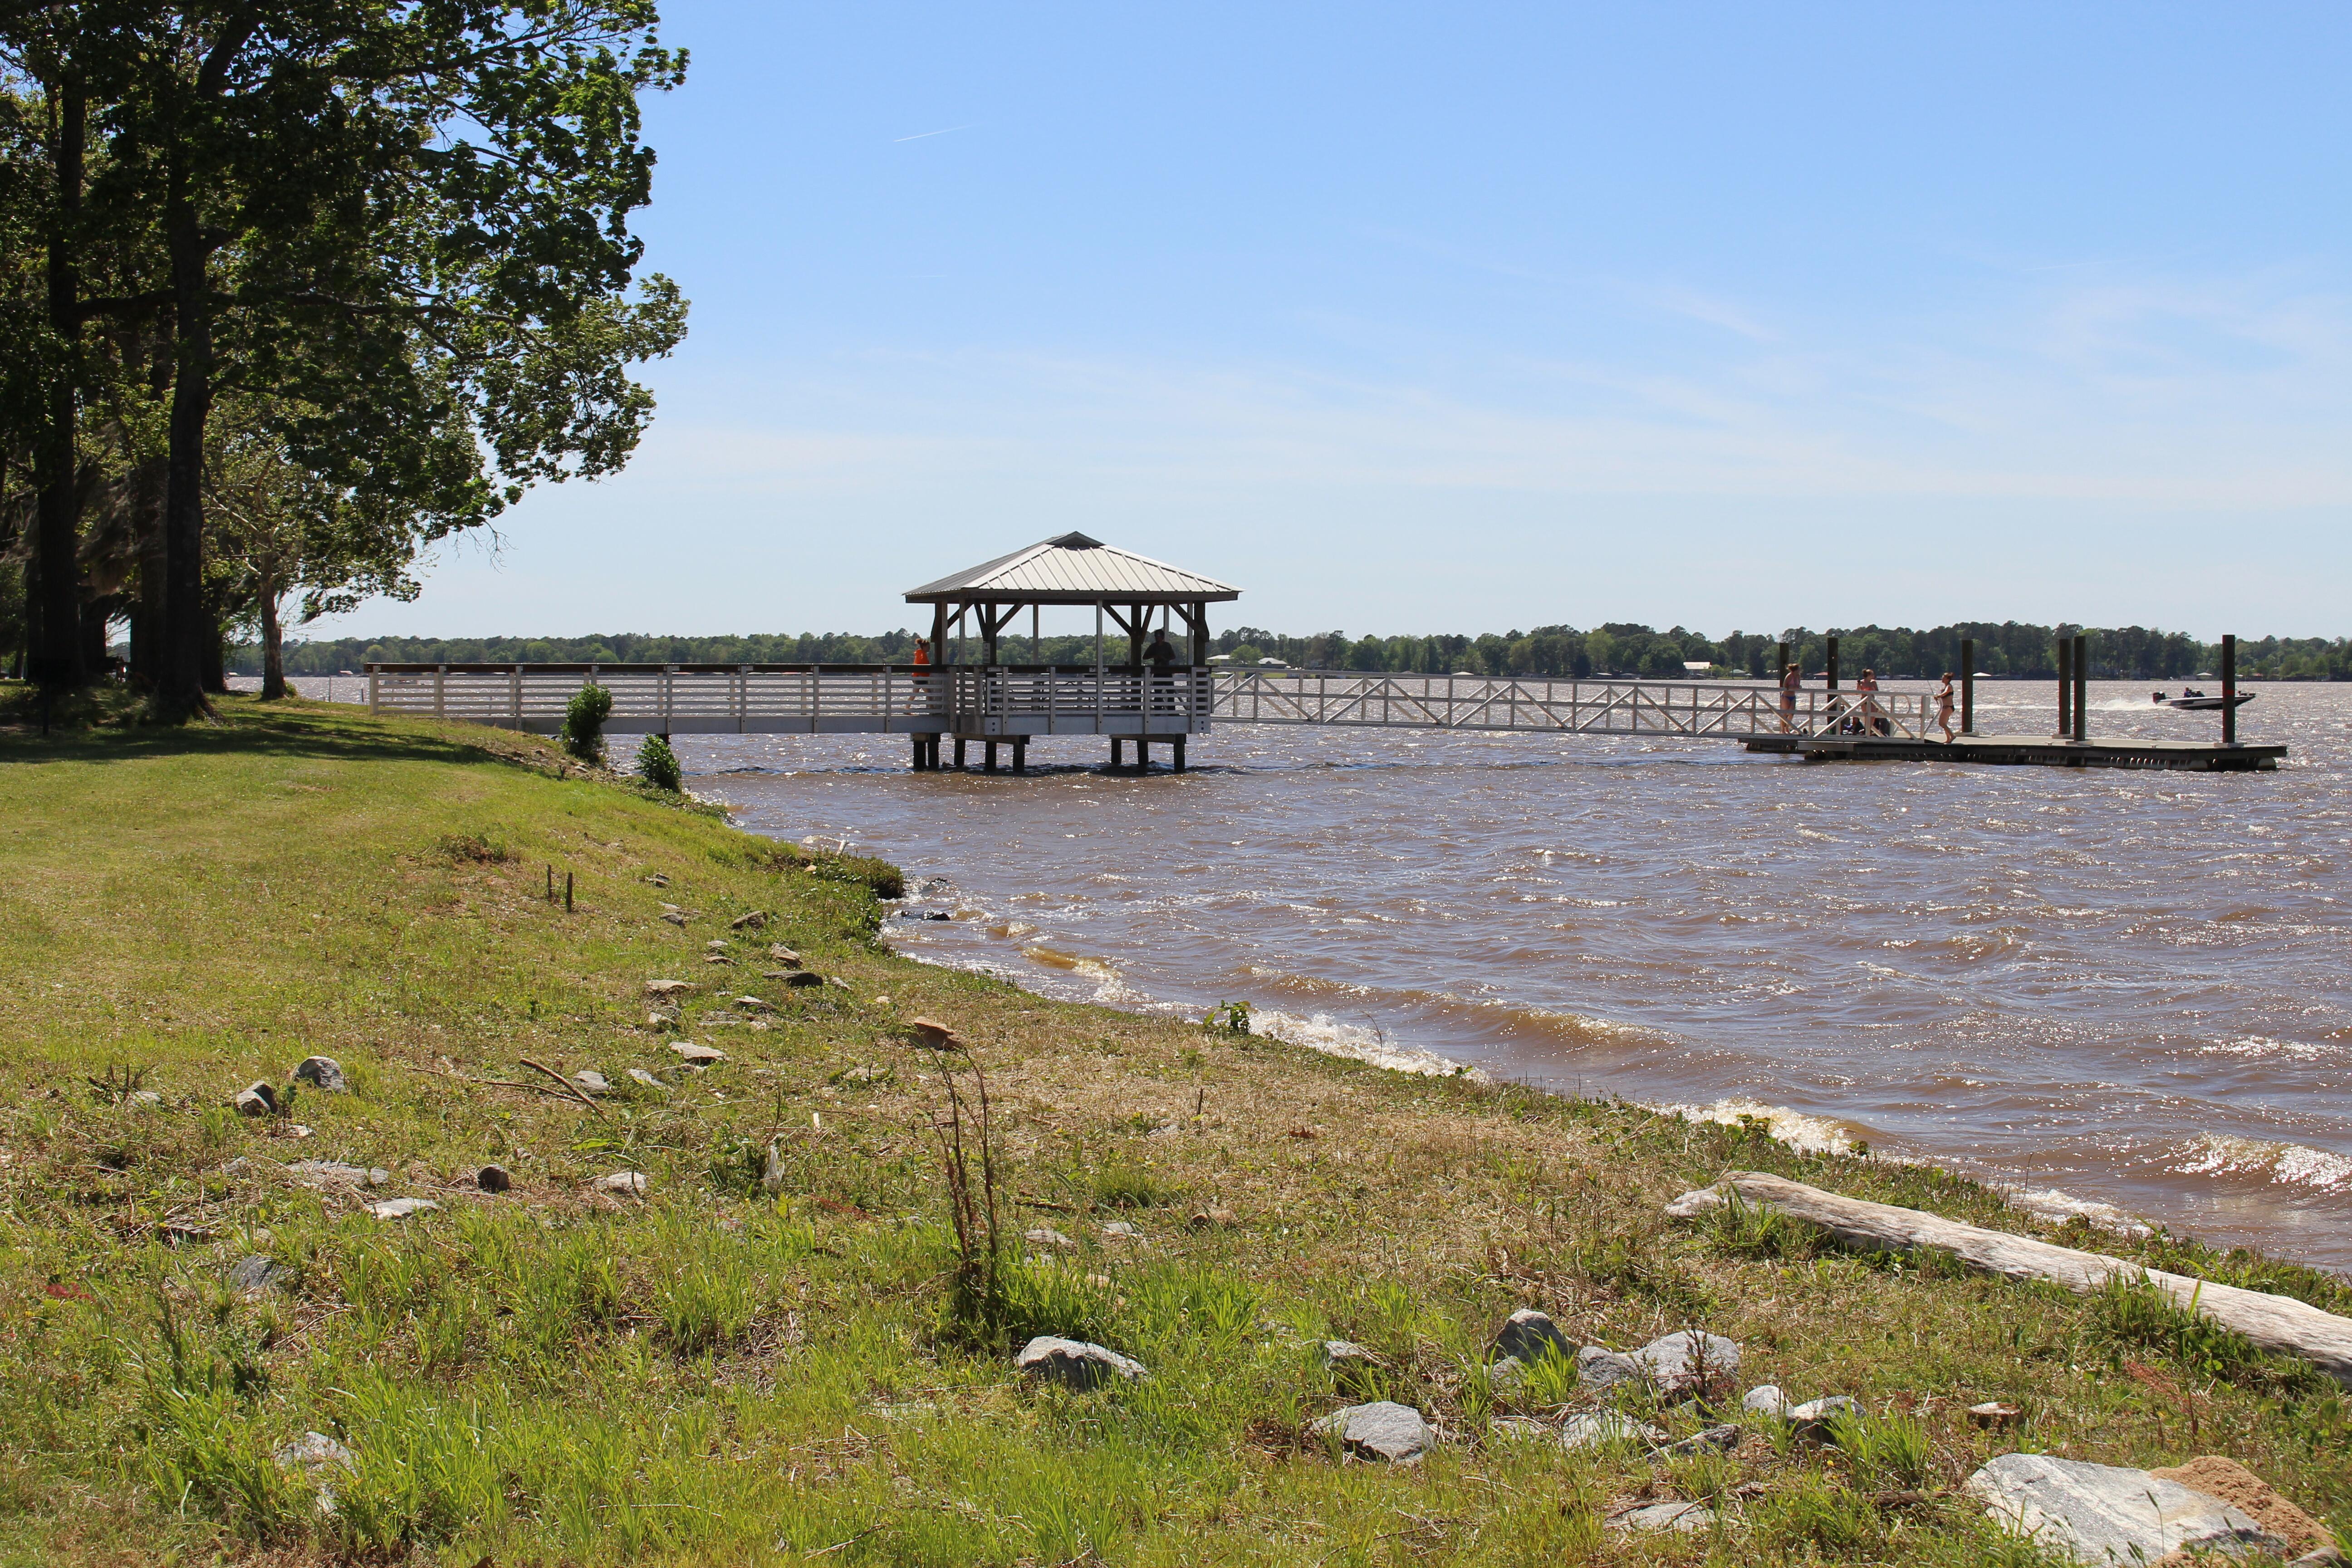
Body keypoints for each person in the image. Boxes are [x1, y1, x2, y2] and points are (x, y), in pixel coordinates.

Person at [1779, 659, 1801, 732]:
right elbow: (1785, 686)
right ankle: (1782, 730)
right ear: (1795, 670)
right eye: (1798, 669)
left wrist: (1798, 687)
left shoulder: (1798, 676)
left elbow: (1798, 685)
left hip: (1793, 696)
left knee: (1792, 713)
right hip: (1786, 696)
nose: (1800, 670)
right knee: (1785, 713)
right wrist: (1792, 688)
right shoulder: (1789, 676)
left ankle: (1787, 727)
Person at [1935, 671, 1957, 743]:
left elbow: (1946, 692)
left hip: (1948, 707)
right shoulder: (1946, 687)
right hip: (1946, 707)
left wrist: (1939, 696)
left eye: (1944, 678)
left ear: (1947, 679)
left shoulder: (1949, 687)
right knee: (1945, 724)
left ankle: (1952, 736)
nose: (1942, 679)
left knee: (1941, 723)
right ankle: (1948, 739)